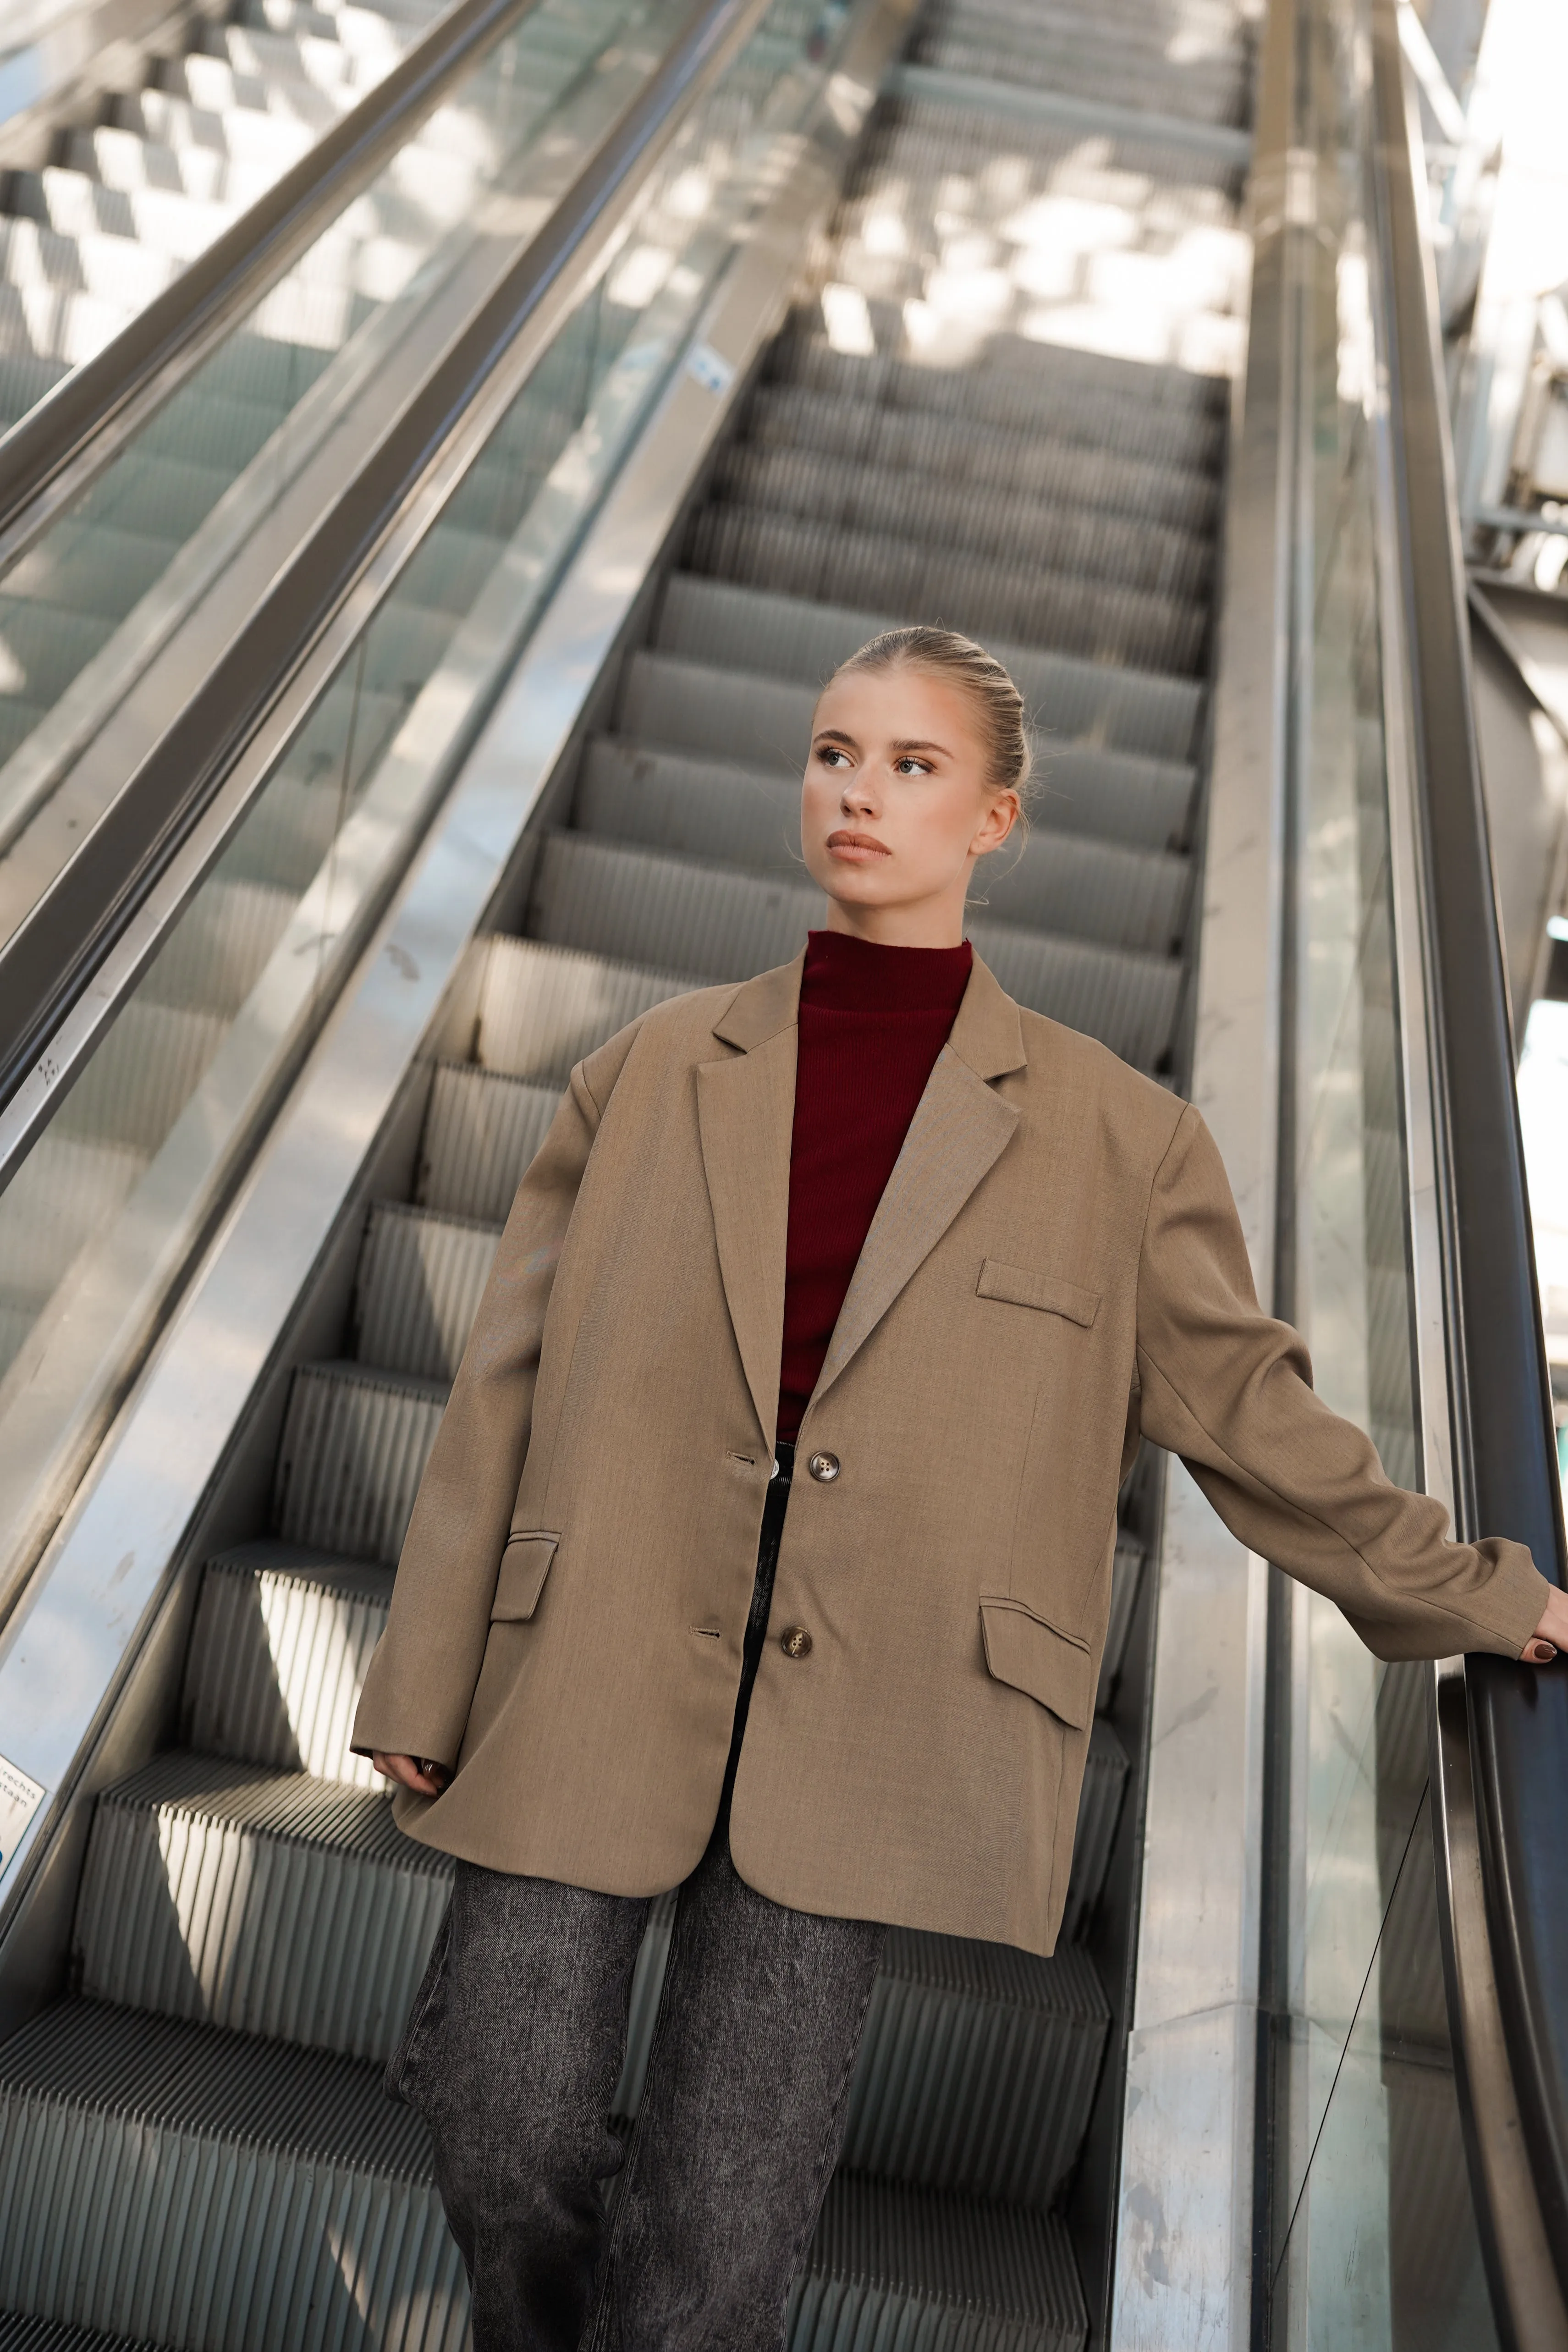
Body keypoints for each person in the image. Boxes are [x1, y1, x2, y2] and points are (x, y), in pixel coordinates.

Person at [352, 625, 1564, 2350]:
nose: (857, 793)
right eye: (834, 753)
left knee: (724, 2225)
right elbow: (502, 1392)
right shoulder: (644, 1074)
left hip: (882, 1722)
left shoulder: (1120, 1144)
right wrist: (426, 1670)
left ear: (994, 818)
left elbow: (1247, 1414)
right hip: (592, 1661)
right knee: (495, 2095)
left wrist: (1482, 1591)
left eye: (911, 767)